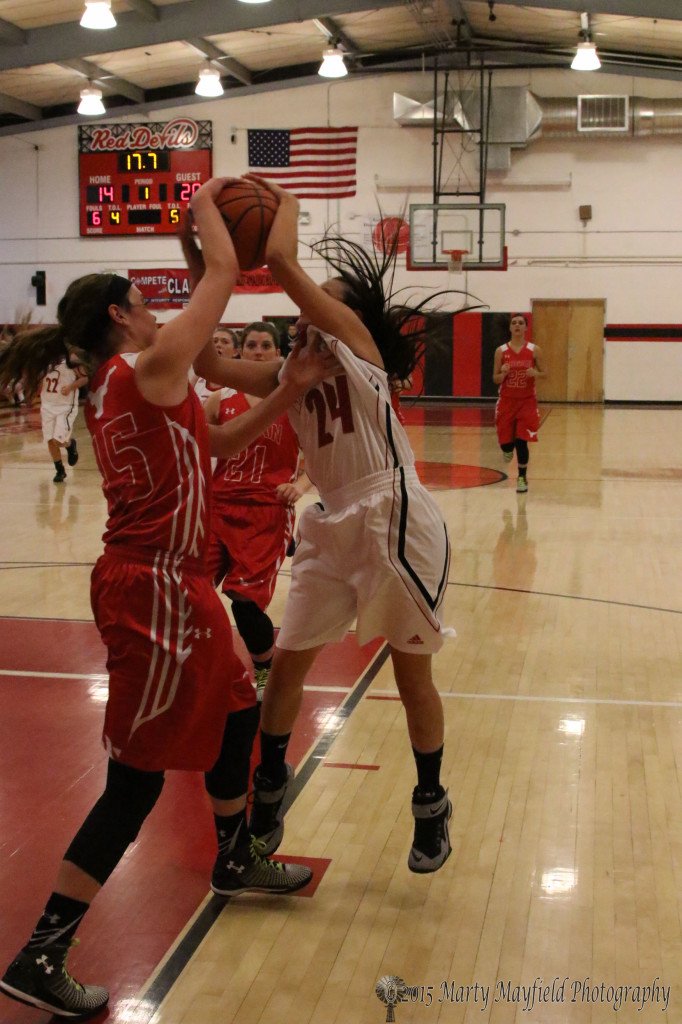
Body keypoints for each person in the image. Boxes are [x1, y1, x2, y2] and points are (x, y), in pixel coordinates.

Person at [0, 178, 337, 1020]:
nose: (158, 309)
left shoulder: (148, 382)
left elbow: (216, 441)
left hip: (184, 589)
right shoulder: (144, 367)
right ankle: (41, 953)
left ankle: (232, 855)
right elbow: (220, 280)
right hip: (149, 588)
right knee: (135, 786)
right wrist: (207, 219)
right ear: (120, 314)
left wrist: (289, 391)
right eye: (144, 301)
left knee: (233, 709)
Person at [193, 175, 454, 876]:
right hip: (332, 520)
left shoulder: (359, 348)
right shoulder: (290, 373)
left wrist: (279, 203)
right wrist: (199, 261)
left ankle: (431, 802)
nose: (307, 312)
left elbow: (280, 263)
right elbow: (204, 359)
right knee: (288, 662)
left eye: (322, 303)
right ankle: (270, 792)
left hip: (393, 514)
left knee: (410, 677)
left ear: (345, 316)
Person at [204, 320, 311, 701]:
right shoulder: (219, 401)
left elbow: (315, 459)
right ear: (240, 352)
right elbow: (196, 451)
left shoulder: (294, 403)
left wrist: (297, 486)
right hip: (218, 508)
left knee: (245, 603)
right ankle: (203, 666)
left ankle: (264, 668)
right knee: (191, 590)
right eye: (251, 345)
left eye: (266, 345)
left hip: (267, 511)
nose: (259, 351)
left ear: (278, 354)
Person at [492, 313, 547, 494]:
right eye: (514, 323)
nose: (517, 325)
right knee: (507, 444)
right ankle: (506, 449)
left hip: (527, 402)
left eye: (520, 323)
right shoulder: (501, 351)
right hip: (507, 402)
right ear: (510, 328)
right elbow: (495, 378)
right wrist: (504, 374)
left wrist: (535, 374)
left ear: (525, 327)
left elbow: (545, 373)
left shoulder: (534, 350)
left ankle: (522, 477)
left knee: (521, 441)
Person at [39, 356, 88, 482]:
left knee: (58, 441)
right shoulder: (42, 360)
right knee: (50, 440)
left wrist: (71, 387)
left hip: (65, 406)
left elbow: (85, 378)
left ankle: (70, 444)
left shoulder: (71, 359)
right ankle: (60, 471)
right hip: (47, 404)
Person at [191, 325, 240, 404]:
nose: (218, 345)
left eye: (225, 342)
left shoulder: (239, 381)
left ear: (235, 352)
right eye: (214, 341)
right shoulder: (198, 376)